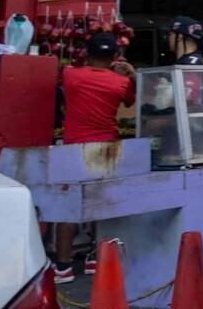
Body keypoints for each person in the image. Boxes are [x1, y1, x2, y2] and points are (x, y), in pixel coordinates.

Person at [54, 33, 135, 283]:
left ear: (87, 54)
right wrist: (130, 74)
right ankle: (94, 257)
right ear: (113, 57)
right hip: (105, 148)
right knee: (99, 204)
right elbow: (131, 102)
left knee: (67, 208)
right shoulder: (120, 83)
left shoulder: (70, 75)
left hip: (73, 149)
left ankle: (63, 267)